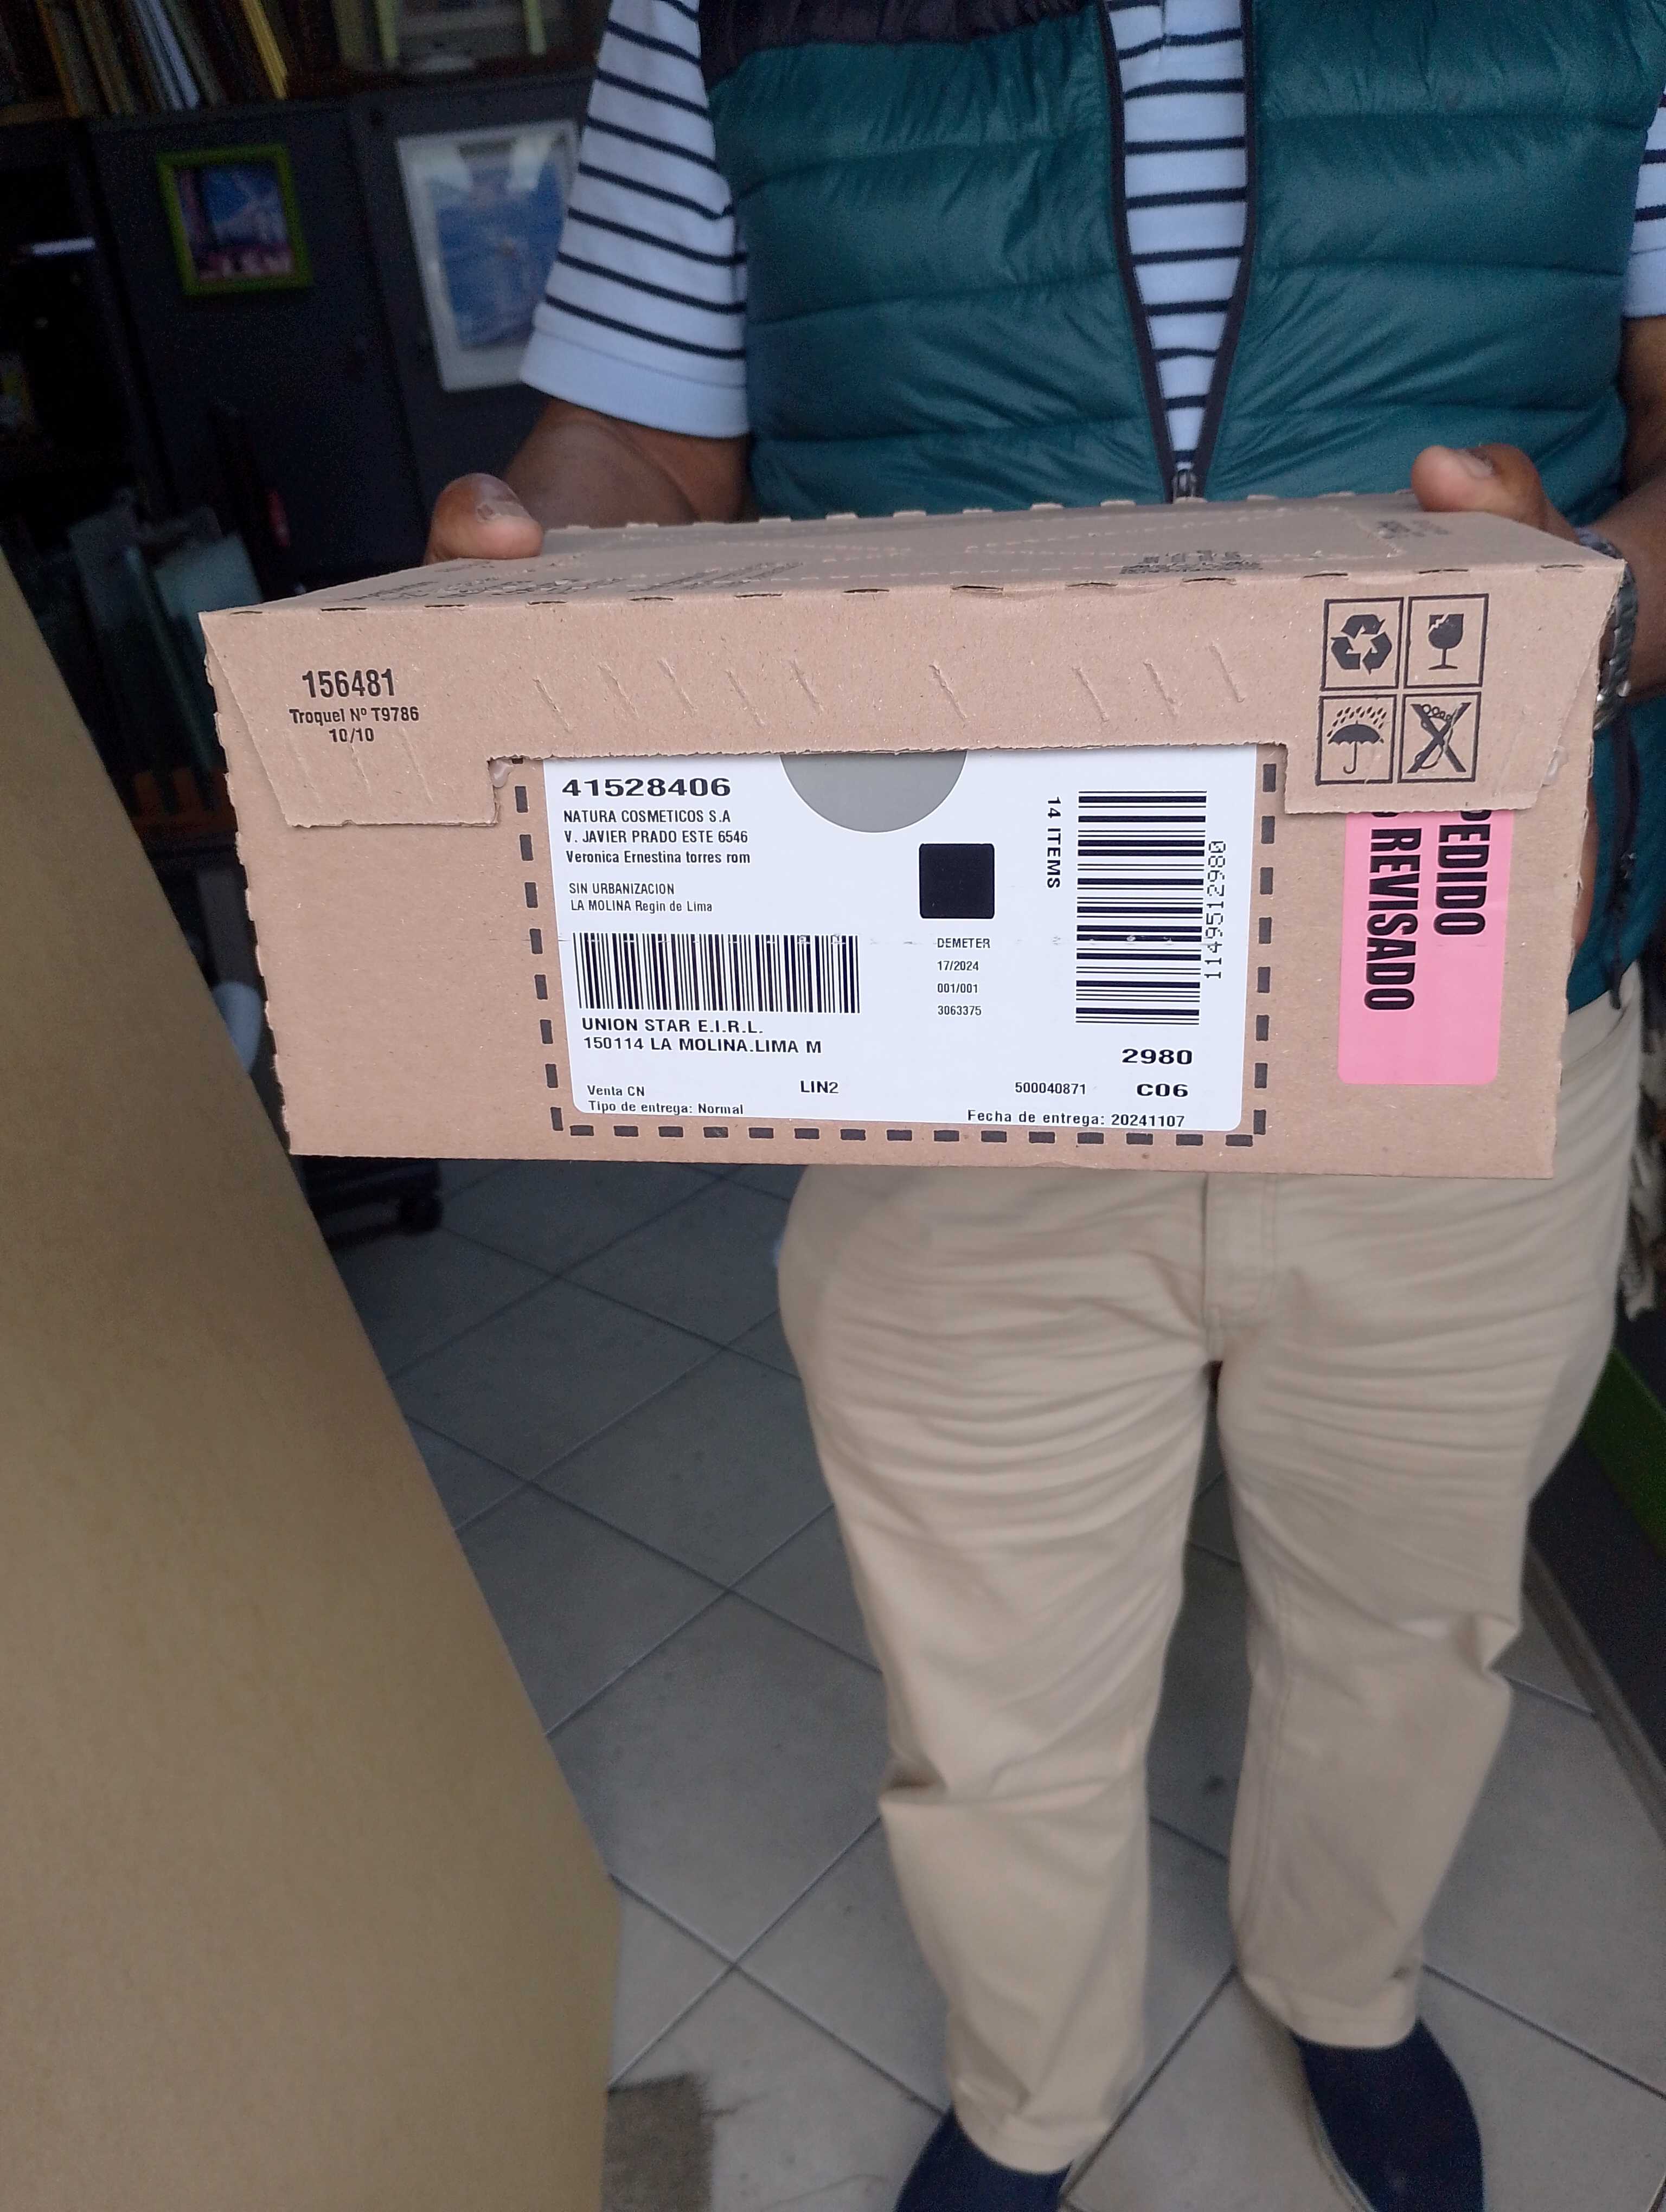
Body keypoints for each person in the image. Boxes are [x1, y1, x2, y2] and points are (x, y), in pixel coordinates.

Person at [428, 5, 1666, 2205]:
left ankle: (1345, 1983)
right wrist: (550, 559)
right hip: (959, 1038)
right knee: (987, 1687)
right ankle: (1036, 2091)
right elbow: (637, 447)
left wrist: (1592, 608)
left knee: (1413, 1623)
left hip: (1444, 990)